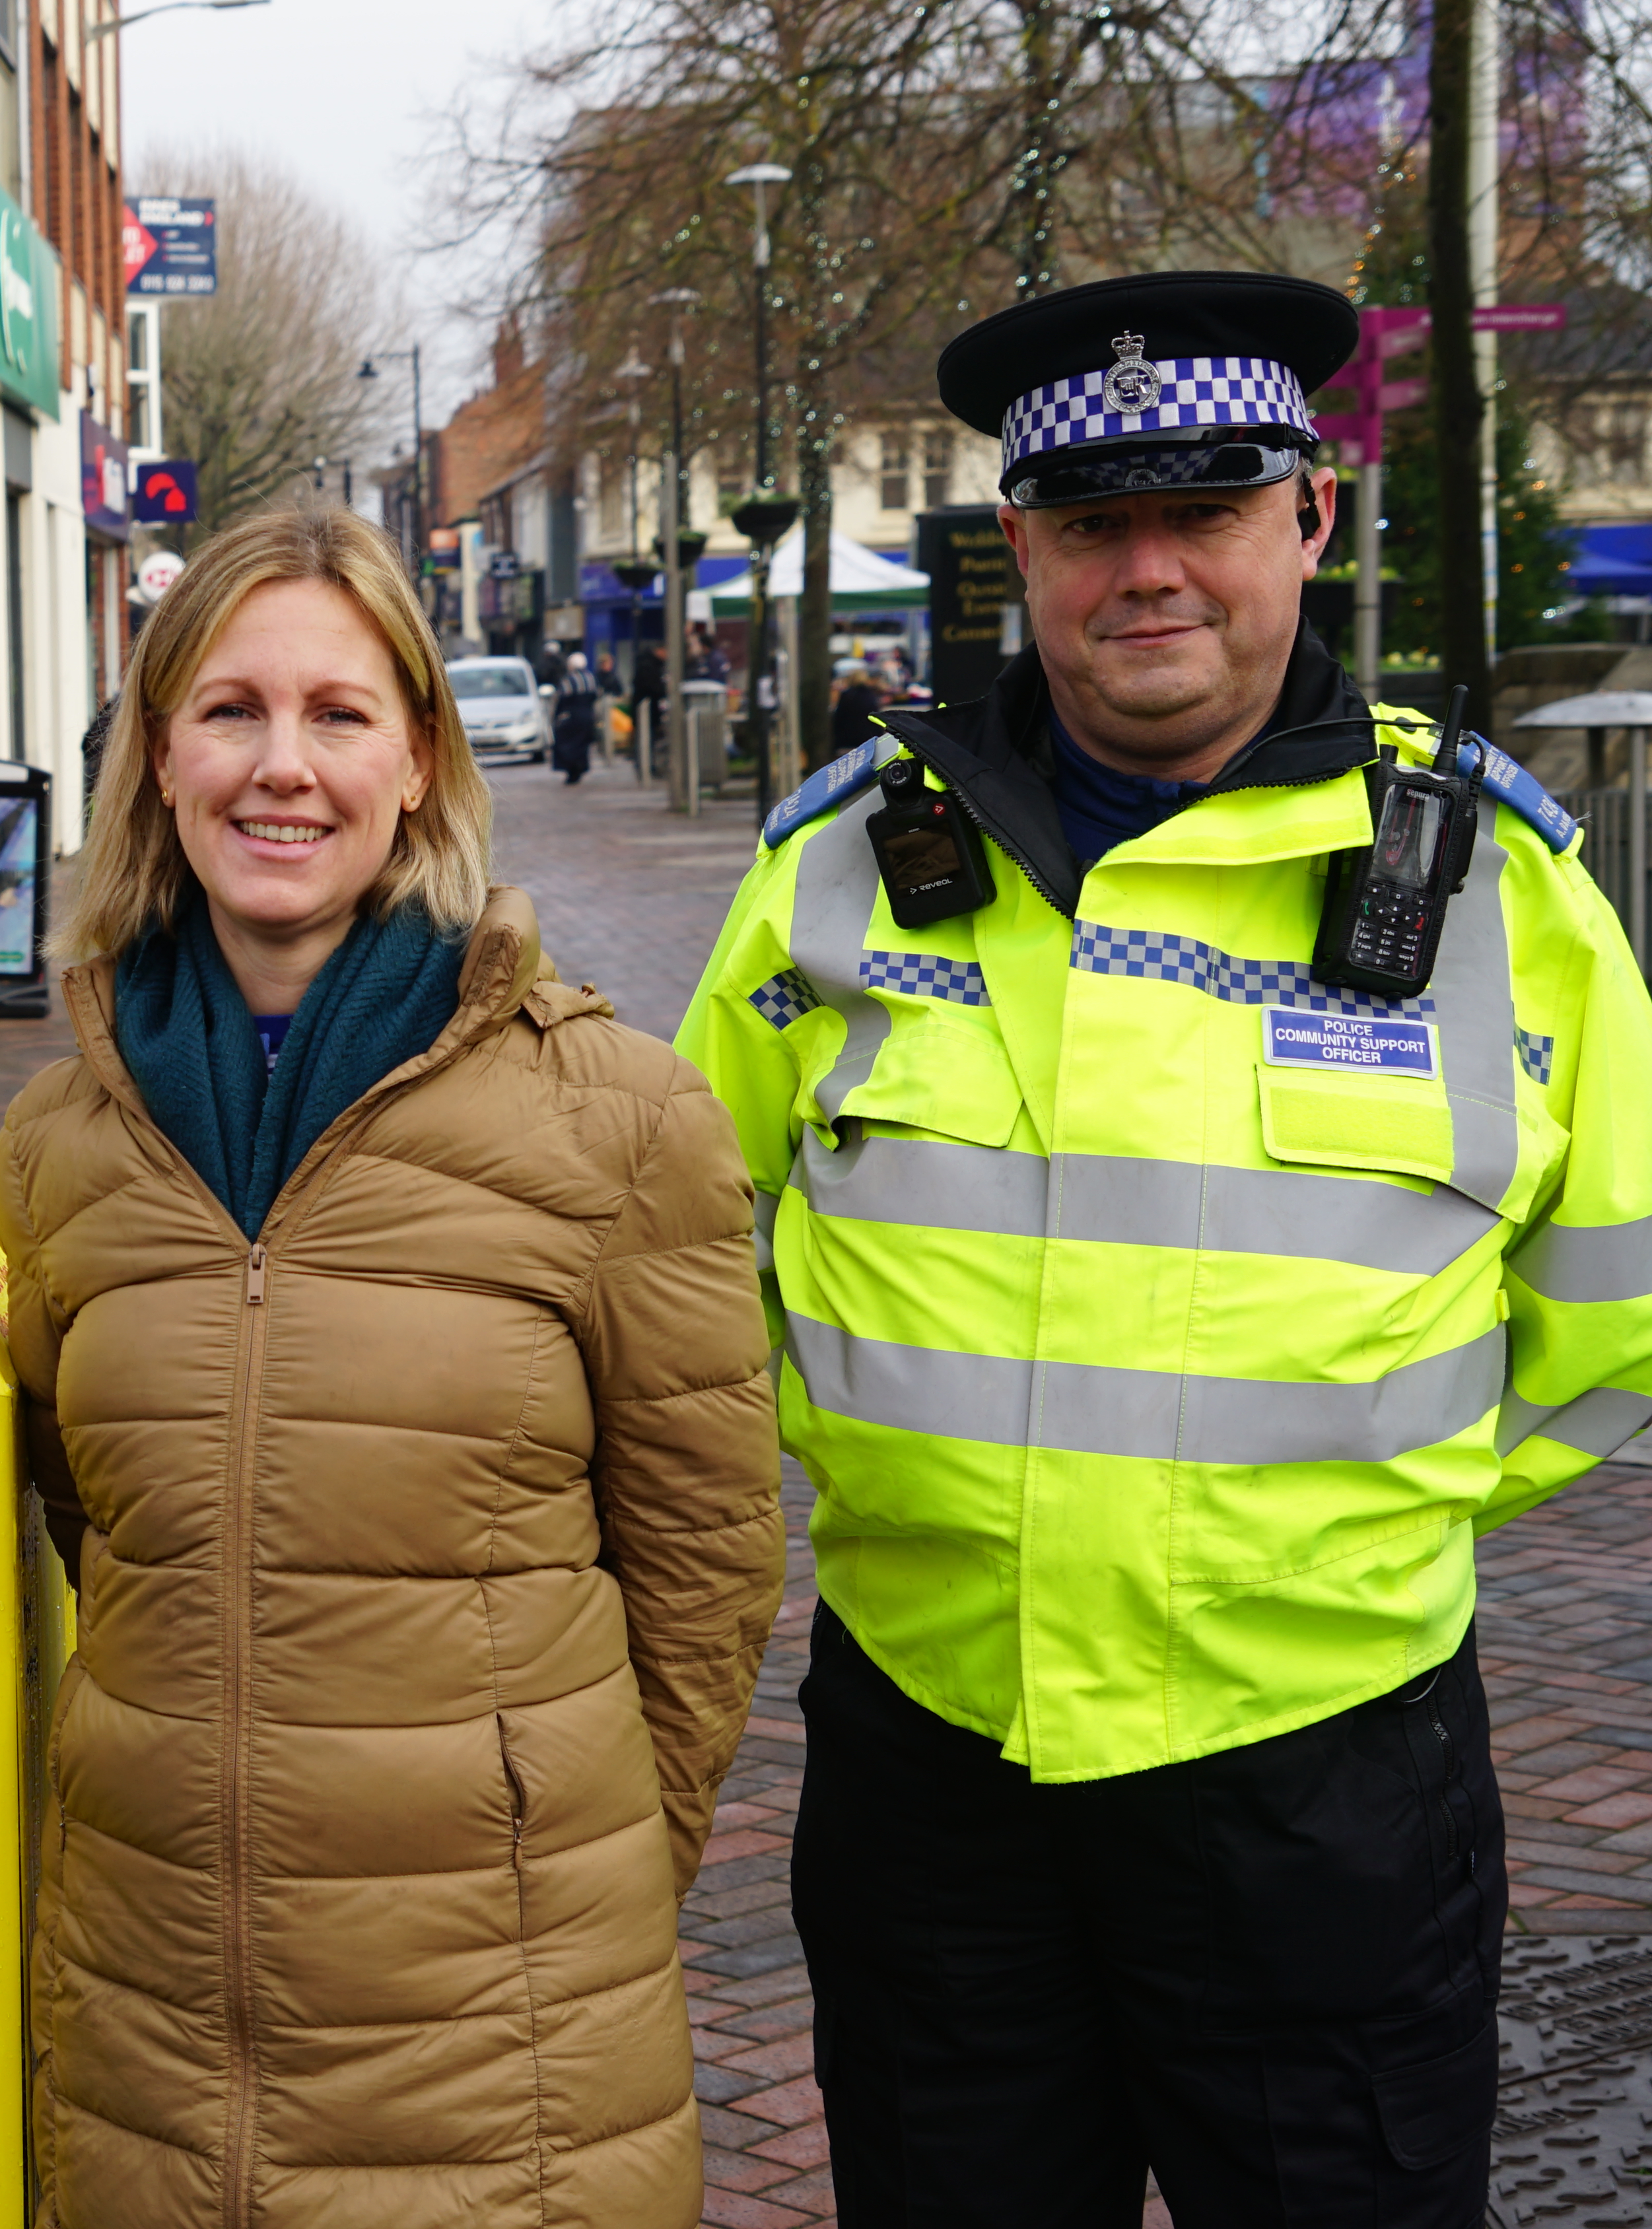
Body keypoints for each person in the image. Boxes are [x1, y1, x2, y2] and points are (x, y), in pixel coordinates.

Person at [677, 270, 1652, 2226]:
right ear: (1016, 543)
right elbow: (684, 1257)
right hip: (933, 1774)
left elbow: (1604, 1311)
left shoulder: (1501, 898)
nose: (1147, 572)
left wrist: (1334, 1536)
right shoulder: (837, 871)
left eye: (1198, 512)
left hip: (1321, 1792)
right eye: (1090, 521)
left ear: (1304, 517)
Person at [0, 502, 786, 2227]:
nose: (284, 768)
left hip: (501, 2069)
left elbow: (709, 1570)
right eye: (230, 711)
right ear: (158, 759)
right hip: (153, 2055)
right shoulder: (62, 1146)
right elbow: (98, 1541)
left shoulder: (621, 1124)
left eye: (340, 716)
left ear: (419, 761)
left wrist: (563, 1884)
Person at [551, 646, 604, 782]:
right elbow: (596, 696)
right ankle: (580, 767)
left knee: (568, 744)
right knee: (583, 744)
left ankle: (572, 770)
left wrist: (556, 717)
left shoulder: (568, 680)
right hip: (588, 715)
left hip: (572, 716)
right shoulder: (591, 678)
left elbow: (561, 700)